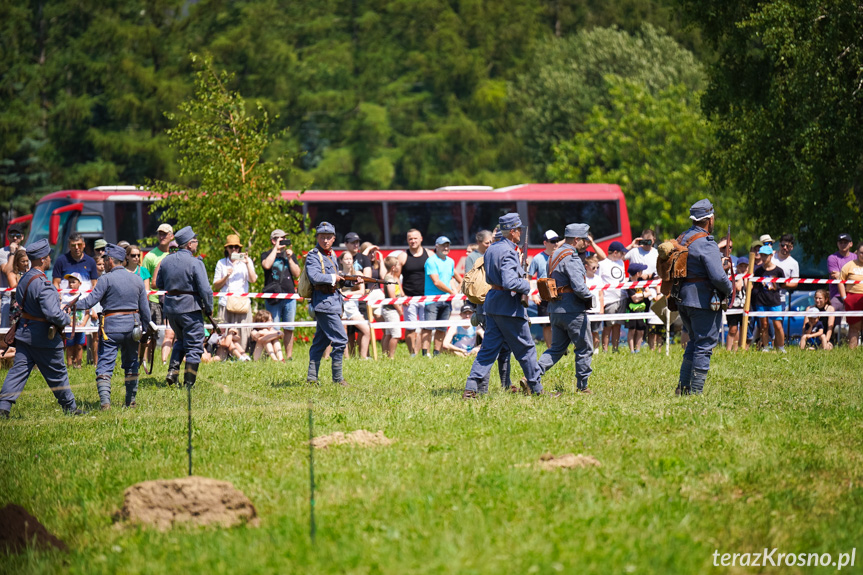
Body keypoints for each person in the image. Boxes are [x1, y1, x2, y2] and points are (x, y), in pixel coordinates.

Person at [464, 213, 548, 398]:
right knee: (526, 349)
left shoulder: (492, 249)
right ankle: (537, 389)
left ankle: (471, 388)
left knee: (487, 350)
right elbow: (510, 282)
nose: (520, 233)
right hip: (508, 306)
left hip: (493, 303)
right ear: (512, 231)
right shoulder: (509, 251)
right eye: (518, 230)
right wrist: (528, 285)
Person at [0, 239, 85, 418]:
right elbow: (53, 314)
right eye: (47, 257)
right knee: (58, 373)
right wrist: (66, 318)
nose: (49, 259)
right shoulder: (43, 284)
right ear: (41, 259)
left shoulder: (24, 279)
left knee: (18, 372)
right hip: (44, 338)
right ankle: (70, 407)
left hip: (24, 334)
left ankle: (3, 407)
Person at [72, 244, 151, 409]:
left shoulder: (105, 279)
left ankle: (105, 403)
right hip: (133, 328)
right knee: (131, 364)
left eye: (105, 260)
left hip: (111, 329)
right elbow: (145, 310)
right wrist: (145, 330)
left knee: (105, 365)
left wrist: (72, 305)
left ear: (110, 261)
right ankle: (131, 402)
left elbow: (90, 301)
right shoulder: (137, 279)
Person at [674, 199, 733, 395]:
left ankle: (683, 387)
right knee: (704, 345)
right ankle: (695, 392)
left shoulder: (682, 238)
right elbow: (717, 277)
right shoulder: (706, 243)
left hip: (682, 299)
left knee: (694, 341)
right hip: (701, 301)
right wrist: (729, 288)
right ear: (709, 219)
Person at [535, 223, 595, 393]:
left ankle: (532, 376)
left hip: (555, 310)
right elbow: (578, 286)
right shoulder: (571, 257)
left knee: (556, 349)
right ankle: (583, 387)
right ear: (576, 240)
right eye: (584, 240)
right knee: (584, 347)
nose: (587, 243)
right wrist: (590, 298)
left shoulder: (553, 256)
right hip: (572, 310)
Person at [156, 226, 212, 388]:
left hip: (171, 309)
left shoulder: (166, 260)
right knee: (194, 344)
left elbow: (159, 284)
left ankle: (173, 371)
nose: (197, 243)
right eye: (195, 240)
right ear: (189, 244)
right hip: (190, 309)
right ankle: (189, 383)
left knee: (180, 340)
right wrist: (208, 307)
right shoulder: (195, 262)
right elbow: (205, 289)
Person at [306, 222, 350, 386]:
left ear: (333, 239)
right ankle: (338, 379)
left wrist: (351, 281)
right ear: (317, 237)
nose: (325, 240)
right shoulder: (313, 255)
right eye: (322, 237)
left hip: (333, 303)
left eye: (328, 237)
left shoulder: (331, 255)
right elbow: (315, 276)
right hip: (324, 304)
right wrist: (334, 278)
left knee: (320, 343)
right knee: (340, 339)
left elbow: (337, 281)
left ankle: (312, 378)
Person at [261, 229, 301, 361]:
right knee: (274, 328)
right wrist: (275, 249)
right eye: (281, 239)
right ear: (274, 240)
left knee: (289, 328)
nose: (284, 241)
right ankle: (275, 356)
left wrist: (290, 258)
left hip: (289, 296)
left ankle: (288, 356)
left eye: (285, 238)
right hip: (273, 297)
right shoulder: (266, 254)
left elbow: (297, 273)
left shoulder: (290, 255)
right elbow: (266, 265)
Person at [214, 234, 257, 352]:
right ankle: (224, 356)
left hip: (242, 303)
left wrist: (248, 263)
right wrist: (226, 276)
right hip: (225, 302)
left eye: (236, 247)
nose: (234, 249)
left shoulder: (246, 263)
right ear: (226, 248)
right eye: (231, 247)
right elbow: (216, 286)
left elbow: (253, 280)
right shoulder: (221, 263)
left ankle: (243, 355)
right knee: (224, 333)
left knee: (243, 333)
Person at [424, 236, 462, 357]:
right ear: (437, 246)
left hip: (447, 300)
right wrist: (453, 292)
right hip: (432, 299)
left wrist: (456, 290)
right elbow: (436, 282)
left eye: (447, 245)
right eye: (443, 245)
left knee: (442, 329)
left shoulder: (450, 261)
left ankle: (437, 353)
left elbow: (457, 279)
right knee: (428, 328)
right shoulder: (431, 261)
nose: (445, 248)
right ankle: (425, 354)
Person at [397, 229, 431, 356]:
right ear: (407, 240)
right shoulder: (403, 256)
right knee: (410, 328)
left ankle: (425, 352)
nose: (413, 241)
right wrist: (402, 296)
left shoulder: (429, 254)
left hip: (426, 297)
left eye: (415, 238)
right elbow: (395, 277)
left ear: (421, 238)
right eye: (410, 238)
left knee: (425, 327)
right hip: (409, 298)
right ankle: (412, 354)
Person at [529, 229, 562, 348]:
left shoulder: (561, 256)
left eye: (557, 241)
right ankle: (550, 348)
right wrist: (533, 294)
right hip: (543, 294)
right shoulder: (538, 258)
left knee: (560, 322)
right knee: (546, 324)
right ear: (545, 243)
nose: (556, 244)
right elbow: (529, 277)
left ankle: (560, 347)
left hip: (559, 293)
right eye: (552, 241)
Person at [752, 245, 787, 352]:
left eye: (766, 256)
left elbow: (783, 284)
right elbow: (755, 286)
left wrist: (776, 286)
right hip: (761, 302)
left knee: (778, 325)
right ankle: (765, 346)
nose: (763, 258)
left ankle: (781, 347)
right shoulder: (758, 271)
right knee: (764, 325)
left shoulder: (778, 271)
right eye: (762, 255)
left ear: (771, 255)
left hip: (775, 301)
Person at [338, 251, 371, 359]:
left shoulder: (358, 274)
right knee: (344, 332)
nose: (348, 261)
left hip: (352, 306)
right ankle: (346, 359)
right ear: (341, 261)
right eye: (346, 259)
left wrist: (347, 294)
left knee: (366, 329)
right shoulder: (338, 274)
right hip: (341, 306)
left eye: (350, 259)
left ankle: (363, 357)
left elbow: (362, 292)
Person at [142, 223, 173, 330]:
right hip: (154, 301)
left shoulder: (175, 254)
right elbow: (144, 279)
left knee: (171, 333)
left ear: (171, 236)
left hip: (172, 300)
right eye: (159, 234)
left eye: (164, 234)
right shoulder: (150, 256)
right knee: (152, 335)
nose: (161, 237)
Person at [599, 241, 627, 352]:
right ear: (615, 252)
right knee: (608, 326)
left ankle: (615, 348)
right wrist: (602, 302)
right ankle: (605, 349)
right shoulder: (602, 264)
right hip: (609, 299)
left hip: (622, 297)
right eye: (621, 253)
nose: (623, 255)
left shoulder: (621, 262)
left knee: (618, 326)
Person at [837, 242, 863, 349]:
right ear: (857, 252)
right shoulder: (849, 265)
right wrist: (845, 298)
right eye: (862, 252)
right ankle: (852, 353)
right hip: (852, 299)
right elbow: (840, 282)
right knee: (854, 328)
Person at [827, 233, 855, 328]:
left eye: (845, 242)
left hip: (853, 294)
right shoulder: (832, 258)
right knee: (832, 321)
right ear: (837, 244)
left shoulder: (856, 258)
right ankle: (830, 340)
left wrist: (841, 275)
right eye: (841, 242)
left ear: (851, 244)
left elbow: (858, 276)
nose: (843, 244)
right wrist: (851, 275)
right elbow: (836, 276)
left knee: (855, 322)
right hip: (837, 296)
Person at [61, 273, 89, 368]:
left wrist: (83, 324)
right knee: (69, 345)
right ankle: (69, 364)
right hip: (69, 326)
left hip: (81, 326)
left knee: (79, 345)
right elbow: (64, 311)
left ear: (80, 283)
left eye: (73, 282)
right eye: (69, 282)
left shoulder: (83, 296)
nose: (71, 284)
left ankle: (78, 364)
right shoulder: (65, 296)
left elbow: (87, 312)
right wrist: (70, 323)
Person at [0, 225, 25, 328]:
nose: (15, 238)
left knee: (21, 329)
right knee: (6, 330)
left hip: (23, 298)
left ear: (22, 237)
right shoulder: (2, 252)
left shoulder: (26, 252)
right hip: (7, 297)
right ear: (8, 236)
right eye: (12, 235)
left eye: (18, 235)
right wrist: (12, 253)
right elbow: (6, 271)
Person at [380, 256, 403, 359]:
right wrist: (399, 309)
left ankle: (385, 355)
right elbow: (392, 296)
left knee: (388, 334)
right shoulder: (389, 279)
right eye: (398, 264)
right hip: (391, 310)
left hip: (390, 310)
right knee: (396, 334)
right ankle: (391, 357)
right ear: (393, 267)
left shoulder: (392, 277)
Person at [725, 257, 749, 351]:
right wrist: (741, 277)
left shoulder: (749, 277)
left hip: (745, 306)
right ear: (737, 267)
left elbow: (748, 288)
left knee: (744, 329)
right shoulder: (733, 277)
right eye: (741, 266)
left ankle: (741, 348)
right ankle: (729, 349)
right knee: (733, 329)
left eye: (745, 267)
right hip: (734, 306)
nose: (743, 269)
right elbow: (738, 287)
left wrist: (746, 277)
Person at [624, 262, 649, 353]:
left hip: (641, 310)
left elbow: (648, 292)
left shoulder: (642, 281)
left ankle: (638, 349)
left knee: (640, 331)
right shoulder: (629, 284)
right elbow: (634, 300)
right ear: (637, 273)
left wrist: (640, 295)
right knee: (632, 330)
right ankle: (631, 350)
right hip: (631, 310)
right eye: (641, 271)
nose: (642, 273)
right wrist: (643, 295)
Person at [584, 254, 604, 353]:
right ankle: (585, 349)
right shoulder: (582, 279)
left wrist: (601, 309)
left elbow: (601, 295)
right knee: (584, 332)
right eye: (593, 267)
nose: (595, 269)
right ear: (586, 266)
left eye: (597, 267)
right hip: (585, 309)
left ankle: (596, 350)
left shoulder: (598, 279)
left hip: (596, 309)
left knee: (595, 331)